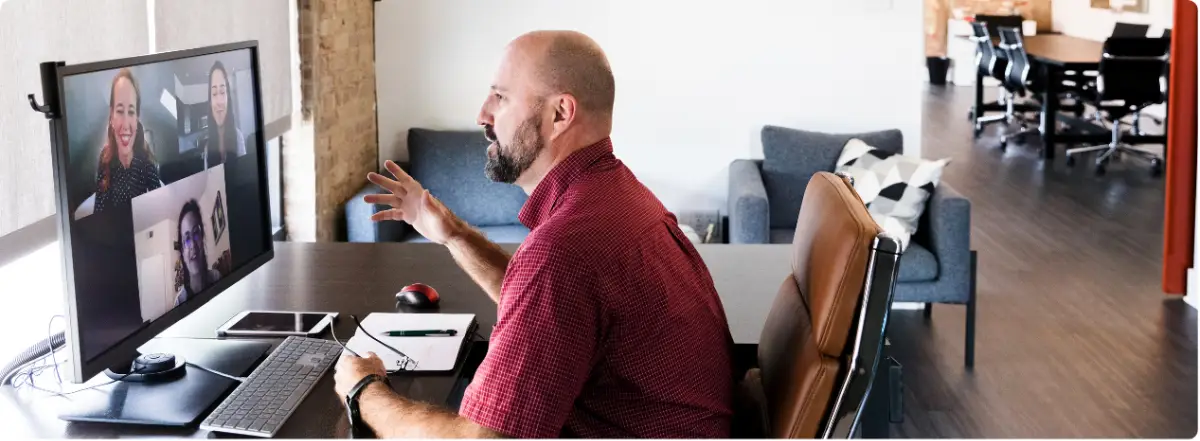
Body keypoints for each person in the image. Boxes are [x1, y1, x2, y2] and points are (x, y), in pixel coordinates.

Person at [334, 30, 734, 438]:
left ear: (560, 114)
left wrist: (363, 390)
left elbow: (485, 439)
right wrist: (452, 233)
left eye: (501, 97)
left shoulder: (565, 250)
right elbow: (552, 304)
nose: (482, 116)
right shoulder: (619, 196)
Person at [94, 68, 161, 213]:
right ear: (111, 116)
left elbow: (160, 205)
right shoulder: (105, 159)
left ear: (137, 117)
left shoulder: (145, 159)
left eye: (131, 112)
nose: (125, 124)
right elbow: (99, 213)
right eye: (119, 111)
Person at [199, 61, 246, 169]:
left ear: (228, 98)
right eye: (214, 94)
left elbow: (244, 177)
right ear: (210, 102)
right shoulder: (208, 148)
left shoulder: (238, 137)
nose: (219, 101)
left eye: (223, 92)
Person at [175, 199, 221, 305]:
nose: (192, 245)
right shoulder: (179, 301)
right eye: (186, 239)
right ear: (182, 251)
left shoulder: (216, 277)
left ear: (202, 237)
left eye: (196, 234)